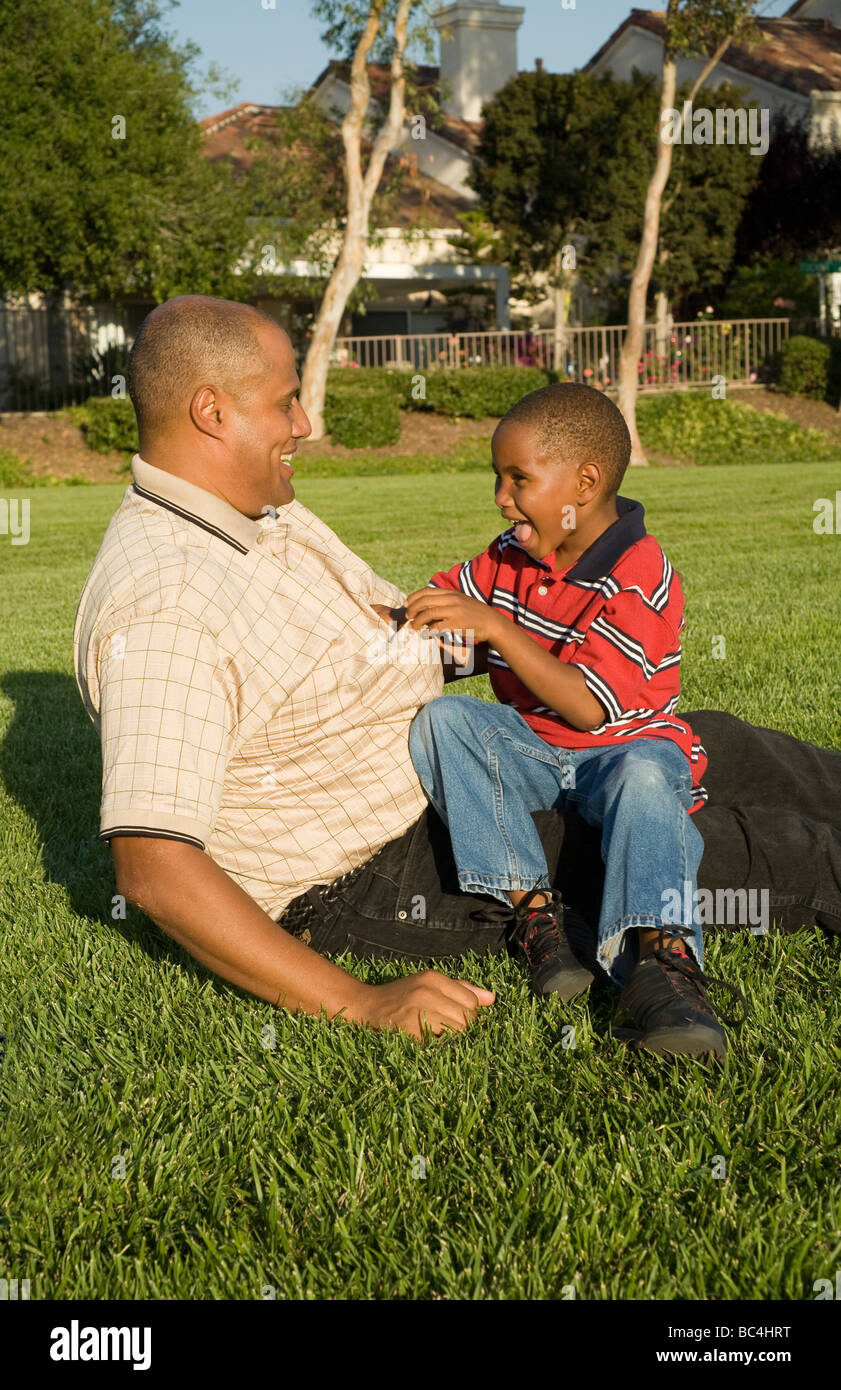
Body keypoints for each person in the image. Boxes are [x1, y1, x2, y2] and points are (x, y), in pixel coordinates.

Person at [73, 295, 841, 1047]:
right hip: (379, 863)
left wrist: (514, 634)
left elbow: (388, 635)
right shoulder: (165, 600)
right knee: (727, 843)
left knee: (719, 746)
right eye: (286, 403)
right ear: (212, 411)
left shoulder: (251, 512)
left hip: (476, 760)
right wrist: (359, 1003)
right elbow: (154, 870)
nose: (304, 424)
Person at [403, 383, 742, 1060]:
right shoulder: (510, 555)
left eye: (518, 479)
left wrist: (495, 629)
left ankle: (662, 966)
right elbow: (441, 617)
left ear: (583, 483)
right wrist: (421, 635)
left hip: (625, 751)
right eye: (497, 477)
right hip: (535, 751)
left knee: (646, 779)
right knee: (444, 721)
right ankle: (537, 919)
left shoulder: (639, 574)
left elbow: (589, 706)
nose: (501, 496)